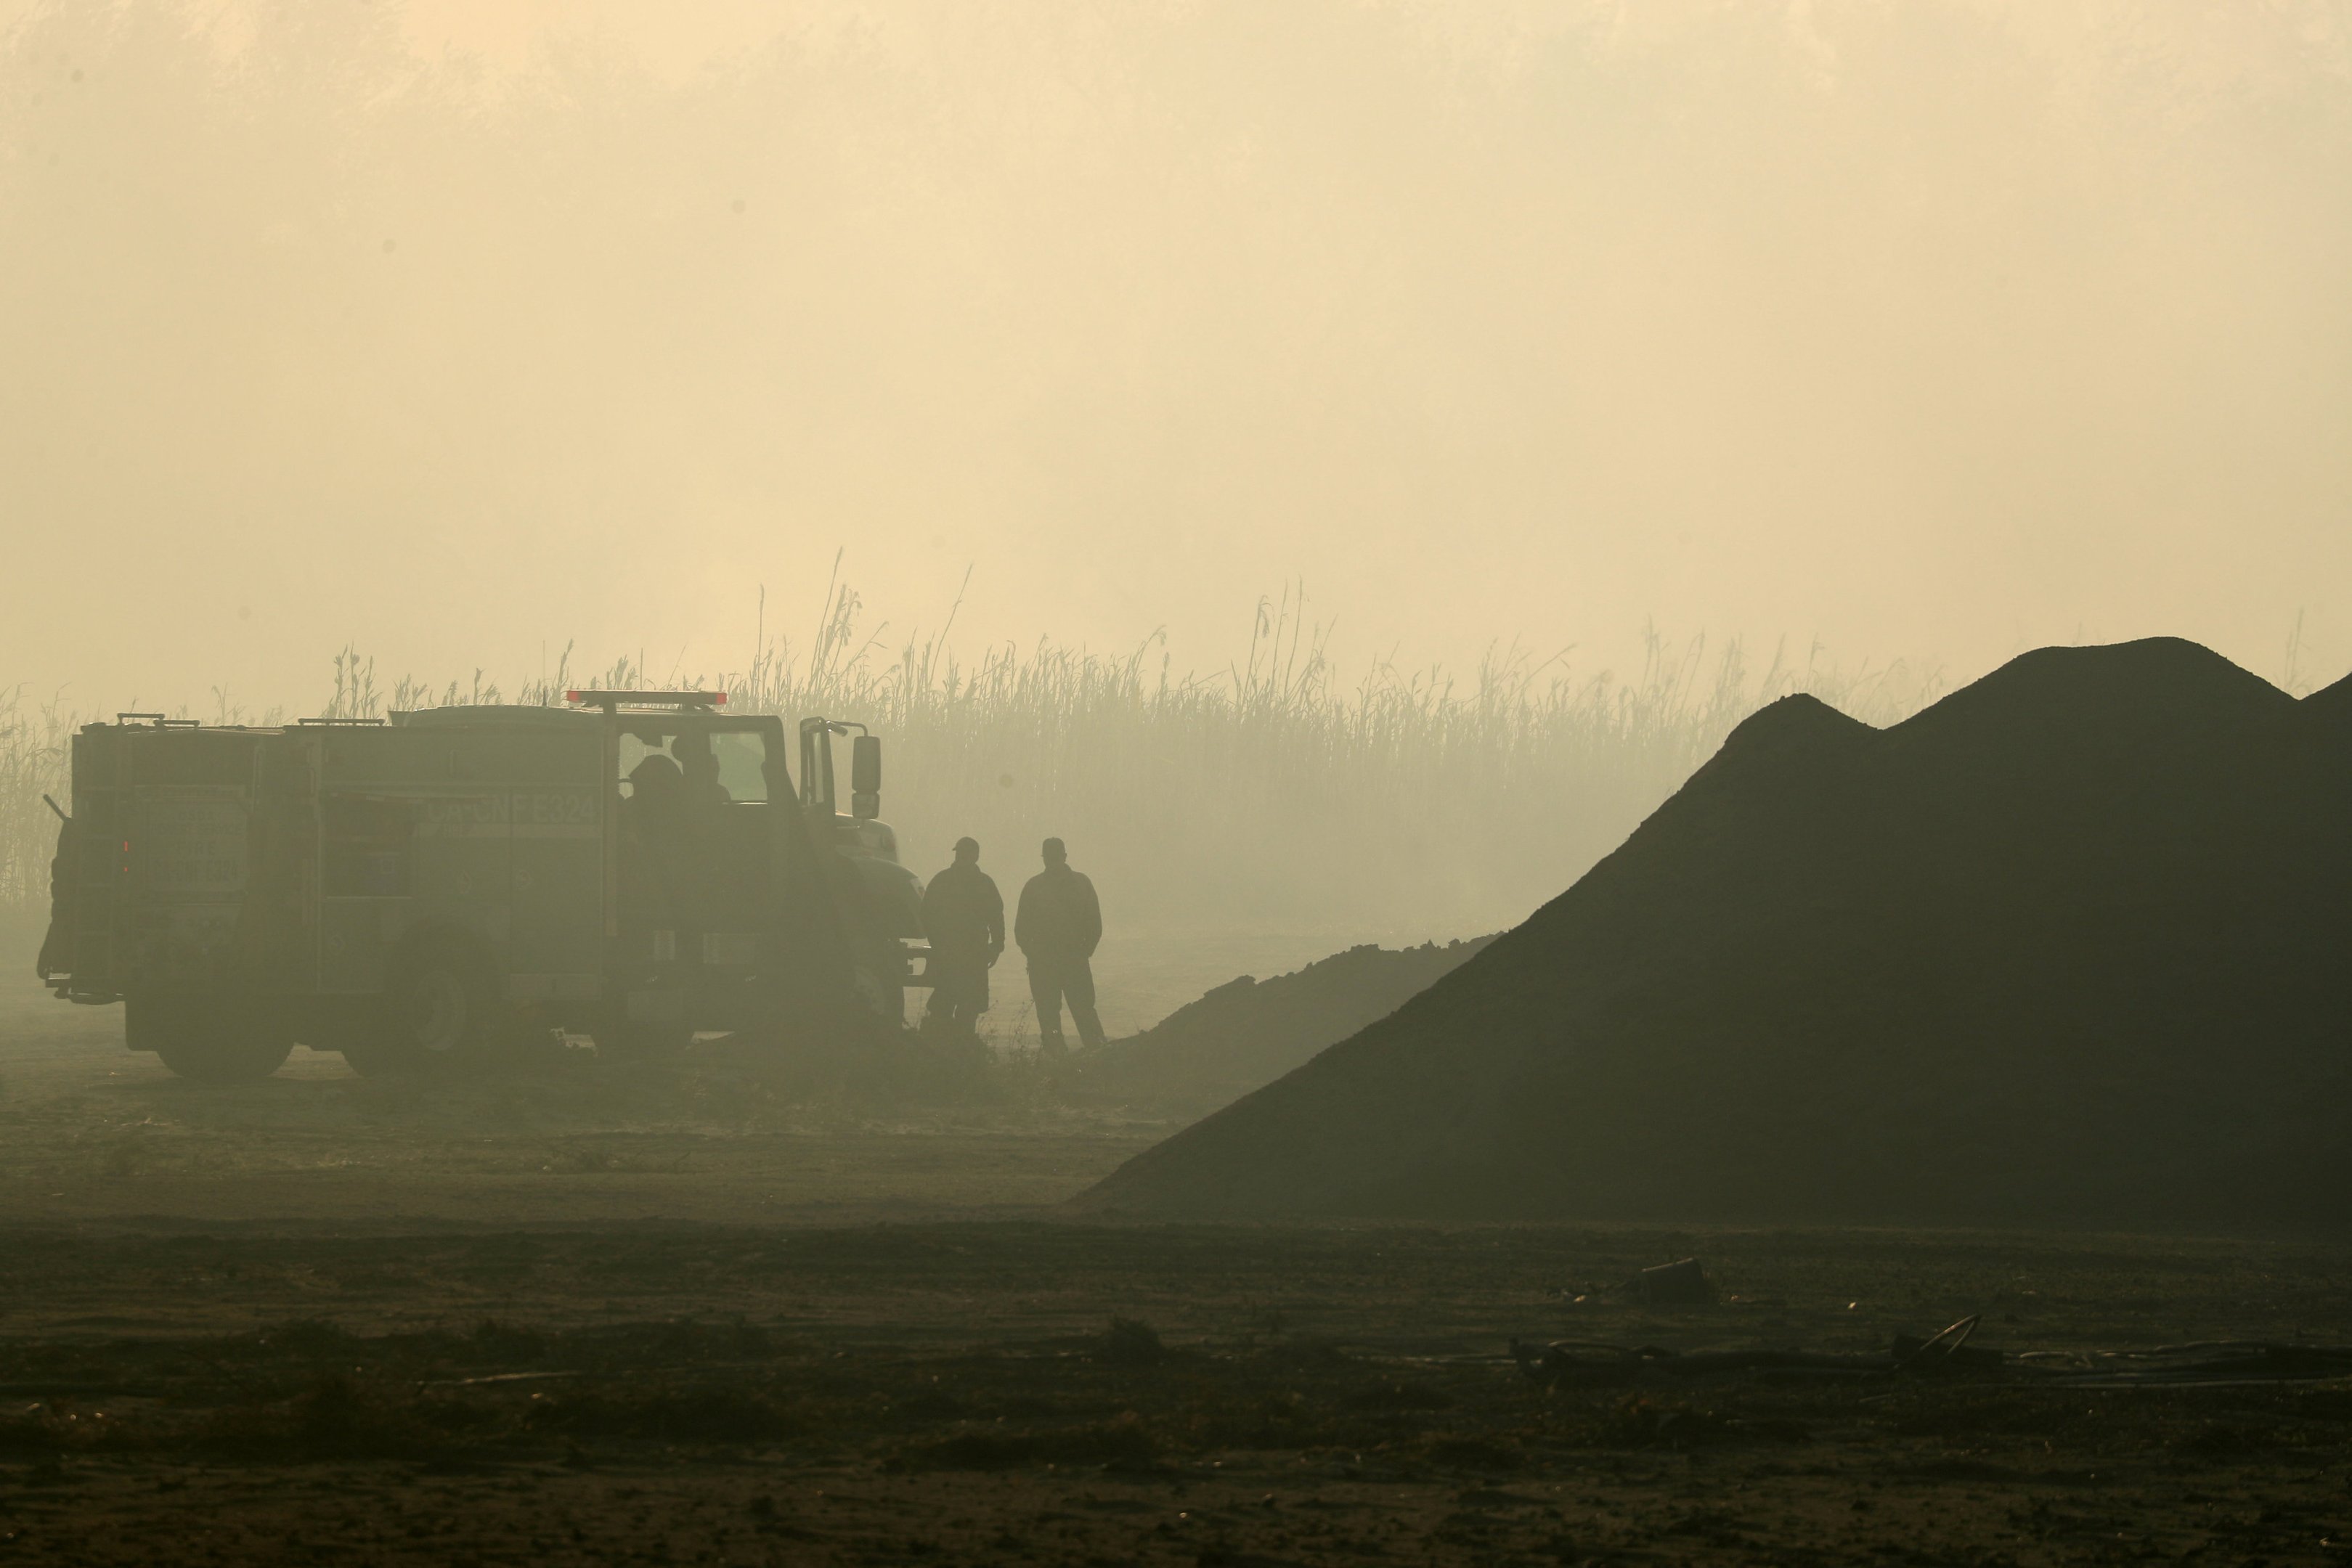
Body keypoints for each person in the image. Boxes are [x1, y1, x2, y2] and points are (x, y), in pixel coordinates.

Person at [1014, 836, 1104, 1055]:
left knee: (1063, 1012)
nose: (1053, 860)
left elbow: (1021, 930)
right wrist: (1084, 951)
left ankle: (1074, 1055)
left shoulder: (1037, 886)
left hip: (1059, 961)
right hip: (1061, 961)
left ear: (1063, 856)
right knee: (1061, 1012)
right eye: (1050, 857)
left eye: (1055, 856)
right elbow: (1021, 930)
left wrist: (1082, 952)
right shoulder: (1078, 883)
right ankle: (1091, 1054)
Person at [921, 836, 1004, 1037]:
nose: (961, 857)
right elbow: (927, 915)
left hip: (969, 955)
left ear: (975, 856)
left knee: (965, 1007)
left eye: (964, 853)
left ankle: (956, 1048)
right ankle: (951, 1048)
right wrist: (938, 944)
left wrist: (997, 946)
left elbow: (996, 917)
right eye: (960, 853)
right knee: (946, 1006)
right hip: (952, 955)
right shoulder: (950, 881)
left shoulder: (949, 881)